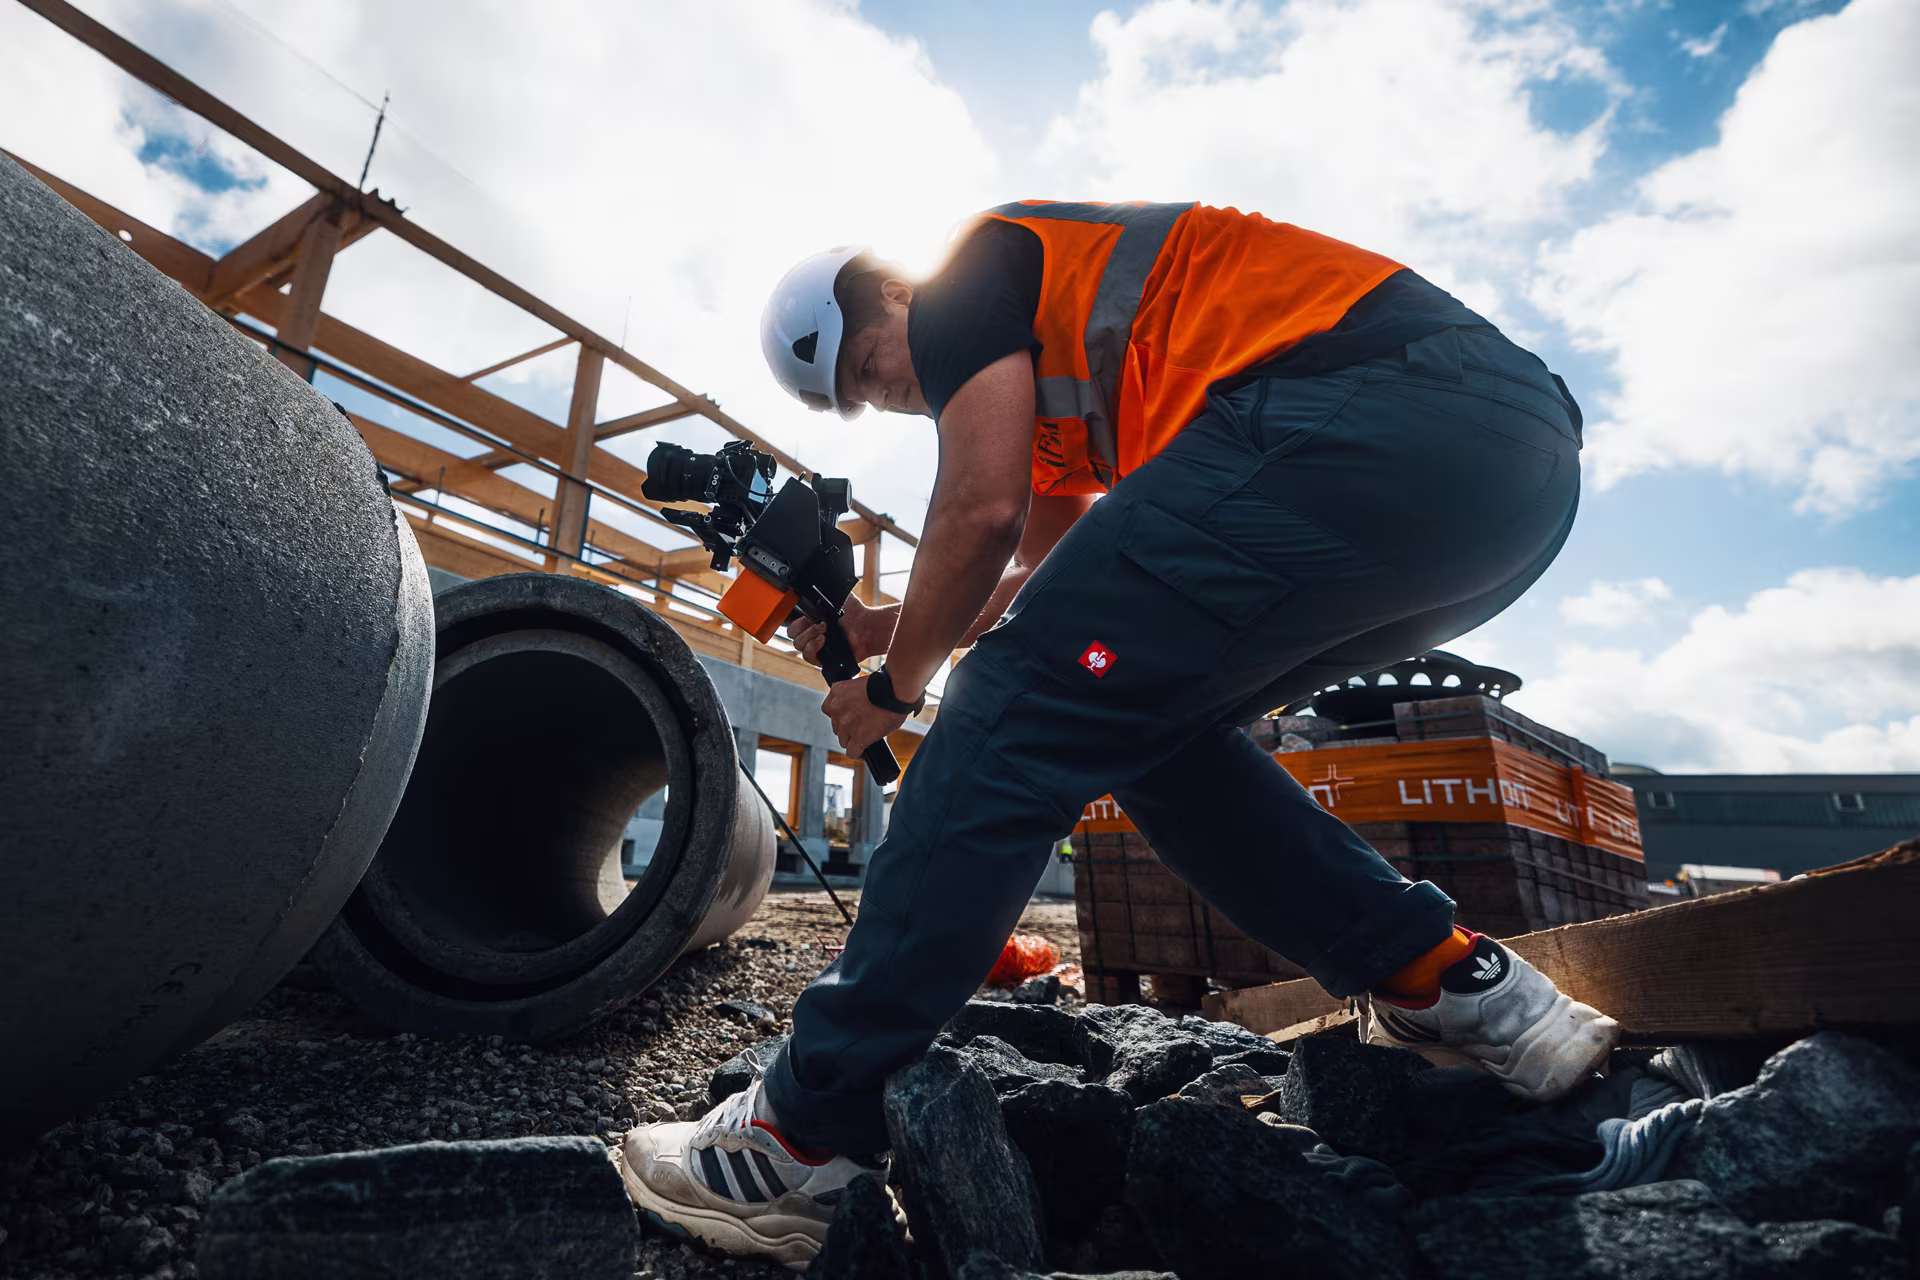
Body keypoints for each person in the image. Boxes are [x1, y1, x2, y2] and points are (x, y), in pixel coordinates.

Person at [618, 200, 1618, 1269]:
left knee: (1008, 703)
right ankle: (1455, 983)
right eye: (859, 395)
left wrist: (897, 685)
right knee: (1144, 729)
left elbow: (981, 513)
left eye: (869, 357)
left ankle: (799, 1134)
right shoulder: (1060, 400)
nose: (882, 389)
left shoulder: (968, 278)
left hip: (1374, 412)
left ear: (894, 292)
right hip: (1506, 479)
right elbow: (1039, 584)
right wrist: (877, 628)